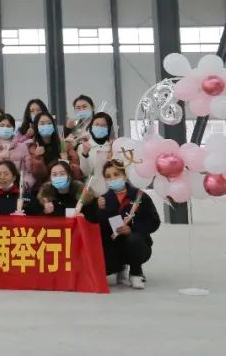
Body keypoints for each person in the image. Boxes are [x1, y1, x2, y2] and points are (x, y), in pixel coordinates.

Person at [90, 161, 160, 289]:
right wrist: (100, 209)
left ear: (124, 175)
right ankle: (119, 267)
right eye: (108, 176)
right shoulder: (103, 199)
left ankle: (136, 272)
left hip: (137, 244)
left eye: (116, 174)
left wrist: (132, 229)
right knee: (103, 266)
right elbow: (99, 227)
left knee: (133, 240)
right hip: (113, 245)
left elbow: (154, 222)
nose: (113, 178)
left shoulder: (140, 196)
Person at [28, 112, 82, 186]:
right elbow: (38, 175)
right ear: (36, 127)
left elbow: (77, 172)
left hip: (66, 186)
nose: (46, 126)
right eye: (42, 124)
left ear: (53, 125)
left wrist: (66, 162)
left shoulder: (64, 145)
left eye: (49, 123)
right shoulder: (33, 147)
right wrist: (38, 158)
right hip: (45, 187)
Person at [0, 113, 30, 187]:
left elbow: (29, 171)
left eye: (8, 126)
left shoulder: (22, 147)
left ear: (13, 128)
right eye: (2, 125)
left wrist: (26, 183)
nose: (5, 128)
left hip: (17, 190)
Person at [76, 112, 115, 179]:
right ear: (91, 126)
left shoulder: (113, 147)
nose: (99, 127)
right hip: (93, 184)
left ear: (109, 128)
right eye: (97, 124)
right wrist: (85, 154)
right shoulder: (82, 147)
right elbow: (86, 173)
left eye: (103, 125)